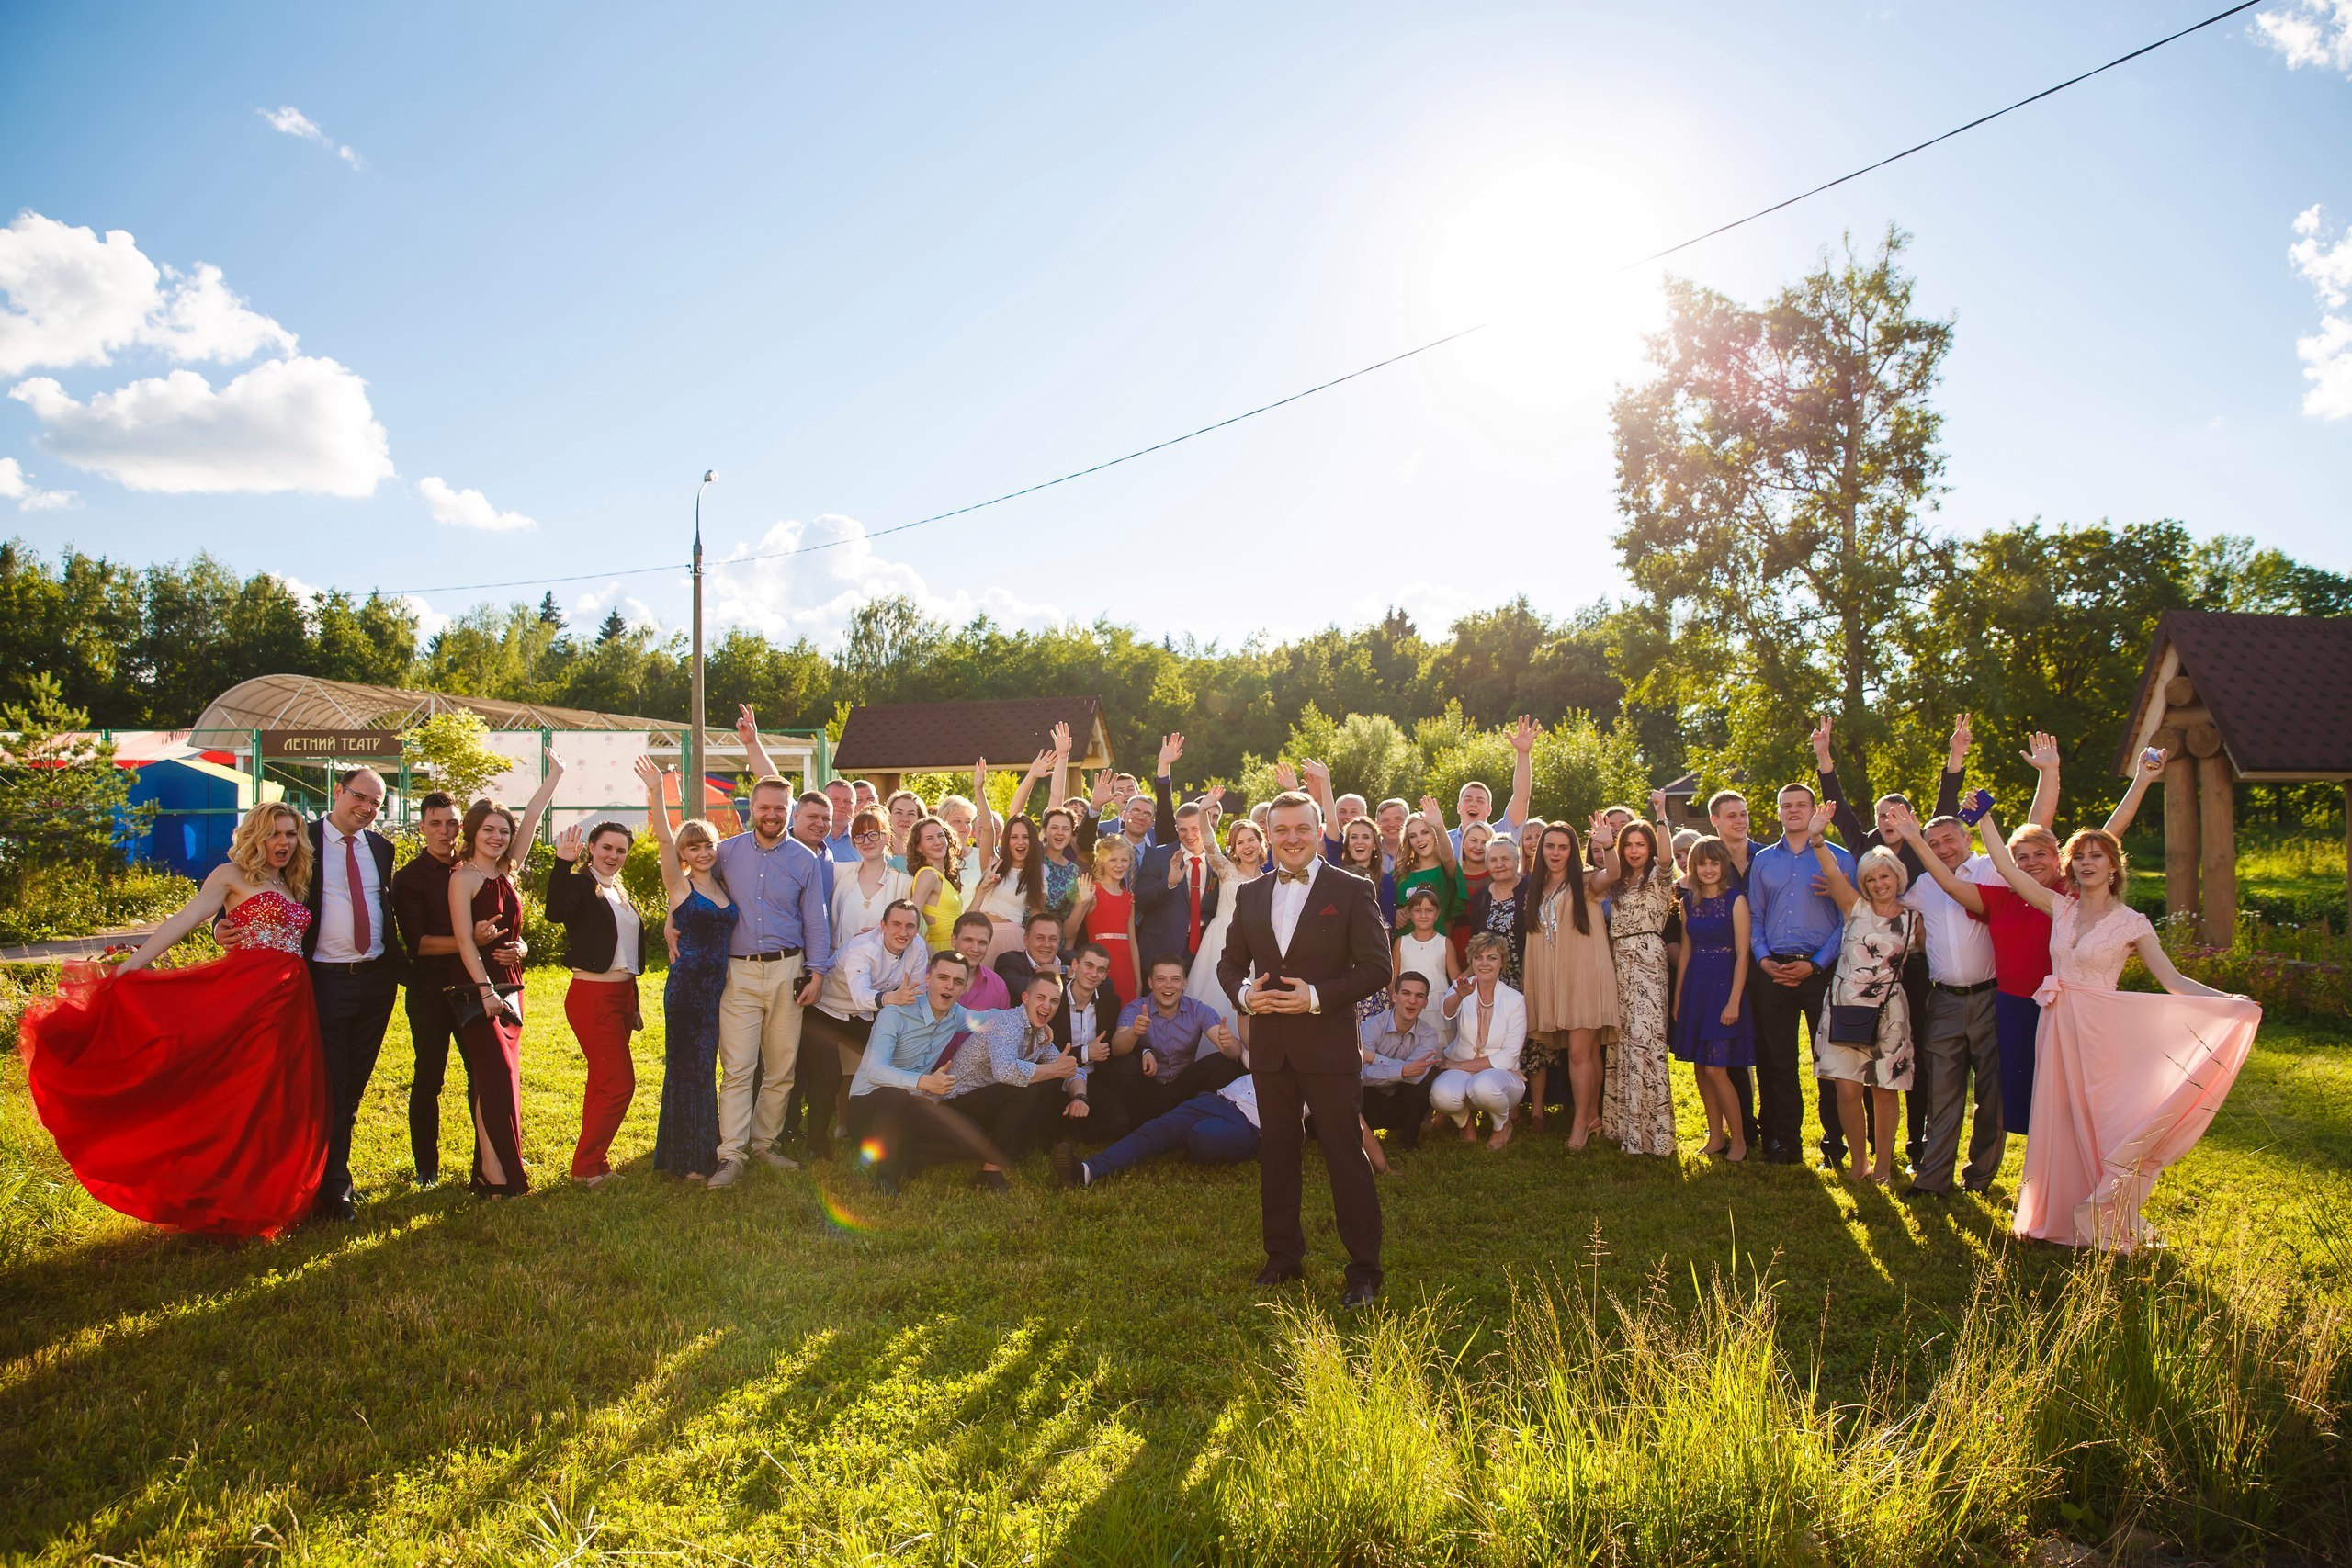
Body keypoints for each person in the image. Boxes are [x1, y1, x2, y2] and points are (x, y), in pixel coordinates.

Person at [20, 801, 328, 1236]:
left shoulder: (292, 881)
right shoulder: (229, 875)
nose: (283, 842)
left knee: (281, 1099)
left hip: (293, 1002)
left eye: (291, 834)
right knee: (244, 1097)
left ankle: (270, 1196)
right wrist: (132, 967)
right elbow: (185, 918)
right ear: (256, 835)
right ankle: (227, 1199)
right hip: (248, 1000)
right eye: (275, 833)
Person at [1973, 808, 2258, 1252]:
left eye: (2097, 856)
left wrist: (2228, 1002)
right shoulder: (2060, 907)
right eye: (2080, 856)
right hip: (2057, 1026)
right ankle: (2056, 1213)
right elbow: (2009, 870)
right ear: (2071, 867)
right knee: (2059, 1118)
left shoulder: (2132, 923)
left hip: (2101, 1031)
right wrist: (1986, 818)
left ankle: (2105, 1211)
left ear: (2112, 866)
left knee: (2100, 1118)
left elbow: (2173, 982)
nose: (2087, 863)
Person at [1215, 790, 1392, 1305]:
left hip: (1329, 1047)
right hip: (1270, 1048)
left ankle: (1363, 1271)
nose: (1292, 839)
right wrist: (1245, 995)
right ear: (1268, 834)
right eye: (1282, 830)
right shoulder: (1251, 894)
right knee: (1277, 1154)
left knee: (1344, 1154)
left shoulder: (1352, 889)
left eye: (1302, 829)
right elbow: (1229, 964)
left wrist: (1315, 998)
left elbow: (1377, 968)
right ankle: (1282, 1260)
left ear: (1319, 831)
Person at [707, 774, 833, 1190]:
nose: (772, 815)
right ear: (751, 809)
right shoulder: (725, 854)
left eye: (780, 808)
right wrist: (673, 924)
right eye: (765, 807)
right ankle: (731, 1154)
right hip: (737, 971)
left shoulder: (803, 860)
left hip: (788, 970)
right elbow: (690, 887)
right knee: (738, 1067)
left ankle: (765, 1143)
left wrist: (817, 972)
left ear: (790, 810)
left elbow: (815, 919)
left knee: (781, 1067)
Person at [1876, 804, 2003, 1197]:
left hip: (1991, 998)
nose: (1943, 848)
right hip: (1944, 1001)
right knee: (1942, 1092)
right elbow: (1886, 904)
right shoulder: (1923, 886)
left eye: (1949, 839)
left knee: (1991, 1094)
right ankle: (1933, 1180)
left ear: (1967, 838)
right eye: (1933, 843)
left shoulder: (1992, 871)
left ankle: (1979, 1178)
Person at [303, 766, 404, 1222]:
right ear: (338, 791)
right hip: (322, 980)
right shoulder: (300, 840)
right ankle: (329, 1186)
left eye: (376, 804)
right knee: (330, 1084)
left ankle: (331, 1177)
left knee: (354, 1085)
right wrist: (223, 923)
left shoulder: (382, 848)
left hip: (375, 981)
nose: (367, 809)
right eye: (360, 798)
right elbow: (250, 883)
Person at [1803, 809, 1919, 1186]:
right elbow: (1834, 872)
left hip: (1890, 1011)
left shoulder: (1915, 920)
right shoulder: (1855, 908)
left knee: (1886, 1091)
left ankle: (1884, 1165)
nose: (1879, 883)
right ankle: (1858, 1163)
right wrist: (1817, 838)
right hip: (1846, 1007)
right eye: (1870, 878)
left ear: (1897, 877)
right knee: (1848, 1090)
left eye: (1884, 875)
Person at [635, 757, 736, 1182]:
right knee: (690, 1069)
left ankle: (695, 1148)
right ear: (683, 854)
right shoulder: (681, 885)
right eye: (693, 847)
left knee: (709, 1067)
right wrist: (658, 793)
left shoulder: (725, 883)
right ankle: (691, 1158)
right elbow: (661, 839)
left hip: (722, 988)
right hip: (689, 987)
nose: (703, 852)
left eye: (708, 844)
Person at [1746, 782, 1853, 1168]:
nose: (1793, 810)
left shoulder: (1838, 858)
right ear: (1777, 812)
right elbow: (1756, 916)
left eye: (1801, 805)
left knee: (1829, 1062)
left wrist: (1817, 963)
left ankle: (1834, 1145)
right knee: (1778, 1061)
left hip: (1822, 972)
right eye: (1786, 805)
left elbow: (1850, 919)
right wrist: (1762, 959)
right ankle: (1785, 1142)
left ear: (1815, 810)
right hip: (1772, 971)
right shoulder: (1763, 862)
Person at [843, 952, 1008, 1194]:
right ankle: (886, 1178)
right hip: (868, 1111)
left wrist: (1031, 1020)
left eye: (957, 981)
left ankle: (907, 1158)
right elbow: (875, 1071)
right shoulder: (896, 1013)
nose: (949, 986)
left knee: (971, 1140)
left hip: (908, 1107)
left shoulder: (956, 1015)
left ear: (963, 988)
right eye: (943, 977)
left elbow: (990, 1018)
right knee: (896, 1095)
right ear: (928, 980)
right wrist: (923, 1082)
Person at [447, 796, 544, 1198]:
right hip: (478, 988)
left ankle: (492, 1168)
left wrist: (520, 950)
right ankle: (494, 1170)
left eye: (503, 831)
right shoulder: (463, 877)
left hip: (511, 982)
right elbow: (464, 942)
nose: (498, 837)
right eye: (488, 829)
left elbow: (533, 818)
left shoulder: (508, 870)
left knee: (505, 1080)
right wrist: (486, 988)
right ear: (472, 831)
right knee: (494, 1078)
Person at [545, 819, 644, 1187]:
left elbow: (625, 952)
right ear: (591, 848)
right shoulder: (580, 885)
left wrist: (632, 1002)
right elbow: (555, 911)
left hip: (621, 995)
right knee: (619, 1085)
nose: (613, 856)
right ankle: (584, 1166)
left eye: (621, 850)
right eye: (607, 848)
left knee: (601, 1083)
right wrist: (561, 863)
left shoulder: (618, 889)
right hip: (592, 996)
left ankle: (595, 1163)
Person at [1517, 818, 1621, 1147]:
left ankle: (1579, 1124)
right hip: (1554, 977)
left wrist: (1608, 844)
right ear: (1540, 849)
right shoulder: (1537, 886)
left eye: (1563, 847)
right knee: (1587, 1051)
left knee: (1579, 1052)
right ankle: (1592, 1116)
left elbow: (1614, 874)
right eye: (1550, 846)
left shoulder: (1586, 881)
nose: (1556, 852)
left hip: (1584, 975)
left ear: (1573, 850)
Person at [801, 900, 930, 1161]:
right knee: (828, 1076)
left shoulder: (918, 949)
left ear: (917, 930)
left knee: (891, 1064)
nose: (903, 932)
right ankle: (815, 1144)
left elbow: (916, 993)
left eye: (909, 926)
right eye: (895, 924)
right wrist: (893, 998)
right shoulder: (863, 949)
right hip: (825, 1011)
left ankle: (877, 1132)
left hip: (865, 1015)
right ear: (882, 926)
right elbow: (861, 997)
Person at [389, 790, 468, 1186]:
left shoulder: (471, 867)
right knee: (429, 1078)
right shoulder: (409, 878)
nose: (444, 831)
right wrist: (474, 941)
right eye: (435, 823)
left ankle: (486, 1160)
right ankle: (426, 1168)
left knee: (483, 1075)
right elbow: (418, 944)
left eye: (451, 822)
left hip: (473, 987)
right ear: (422, 827)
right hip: (430, 991)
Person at [949, 974, 1088, 1188]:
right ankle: (989, 1175)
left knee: (1045, 1079)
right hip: (957, 1101)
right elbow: (1005, 1072)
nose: (1047, 1006)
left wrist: (1080, 1097)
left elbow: (1071, 1070)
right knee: (1025, 1090)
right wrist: (1055, 1070)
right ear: (1025, 998)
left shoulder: (1040, 1033)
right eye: (1040, 997)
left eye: (1054, 1001)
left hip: (986, 1099)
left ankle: (1024, 1147)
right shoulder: (1009, 1023)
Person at [1671, 836, 1753, 1162]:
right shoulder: (1688, 903)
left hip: (1724, 986)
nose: (1707, 869)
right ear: (1693, 866)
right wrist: (1679, 998)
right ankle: (1715, 1136)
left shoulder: (1736, 901)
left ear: (1723, 866)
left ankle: (1740, 1141)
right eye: (1701, 863)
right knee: (1701, 1069)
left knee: (1718, 1070)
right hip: (1696, 987)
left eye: (1713, 863)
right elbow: (1686, 950)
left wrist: (1734, 1001)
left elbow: (1744, 954)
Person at [1601, 818, 1678, 1157]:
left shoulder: (1658, 879)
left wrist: (1661, 815)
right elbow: (1608, 869)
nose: (1634, 851)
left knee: (1645, 1041)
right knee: (1622, 1040)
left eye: (1640, 845)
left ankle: (1652, 1134)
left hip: (1648, 956)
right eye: (1628, 845)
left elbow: (1666, 859)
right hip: (1617, 958)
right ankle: (1623, 1126)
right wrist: (1605, 843)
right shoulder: (1617, 883)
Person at [1056, 1067, 1269, 1187]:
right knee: (1152, 1131)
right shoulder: (1266, 1051)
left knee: (1202, 1135)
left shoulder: (1301, 1078)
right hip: (1216, 1100)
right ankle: (1087, 1171)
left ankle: (1189, 1147)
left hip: (1246, 1124)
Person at [1111, 956, 1245, 1124]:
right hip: (1147, 1088)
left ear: (1184, 984)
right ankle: (1141, 1124)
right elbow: (1116, 1048)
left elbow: (1234, 1053)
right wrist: (1133, 1033)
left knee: (1226, 1064)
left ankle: (1192, 1118)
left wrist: (1228, 1043)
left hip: (1183, 1088)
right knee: (1125, 1065)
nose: (1168, 985)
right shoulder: (1136, 1008)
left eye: (1175, 979)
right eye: (1161, 979)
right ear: (1150, 982)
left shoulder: (1198, 1009)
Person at [1430, 933, 1530, 1150]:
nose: (1484, 963)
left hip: (1502, 1074)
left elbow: (1508, 1056)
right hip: (1464, 1068)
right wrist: (1460, 996)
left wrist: (1458, 1065)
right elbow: (1447, 1010)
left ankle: (1501, 1125)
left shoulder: (1515, 1000)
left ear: (1502, 962)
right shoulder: (1461, 986)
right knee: (1440, 1095)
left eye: (1492, 958)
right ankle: (1465, 1122)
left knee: (1483, 1086)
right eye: (1478, 957)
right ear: (1471, 961)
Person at [1184, 807, 1265, 1026]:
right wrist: (1203, 811)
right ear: (1234, 849)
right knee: (1215, 998)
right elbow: (1209, 843)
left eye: (1251, 840)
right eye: (1240, 843)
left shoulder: (1269, 879)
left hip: (1254, 945)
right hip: (1221, 940)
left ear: (1260, 843)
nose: (1247, 846)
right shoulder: (1226, 870)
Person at [1136, 793, 1224, 977]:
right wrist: (1168, 883)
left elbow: (1219, 906)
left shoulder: (1218, 861)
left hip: (1203, 951)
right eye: (1183, 829)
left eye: (1195, 828)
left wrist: (1204, 921)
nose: (1189, 835)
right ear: (1176, 828)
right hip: (1161, 951)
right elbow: (1141, 900)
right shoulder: (1158, 856)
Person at [1356, 973, 1443, 1151]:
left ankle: (1409, 1142)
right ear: (1394, 996)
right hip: (1370, 1098)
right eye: (1406, 993)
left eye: (1419, 996)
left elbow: (1416, 1076)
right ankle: (1359, 1137)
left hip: (1402, 1100)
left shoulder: (1429, 1034)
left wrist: (1374, 1058)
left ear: (1425, 1003)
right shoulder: (1370, 1027)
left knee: (1427, 1078)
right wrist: (1403, 1070)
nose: (1412, 1000)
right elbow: (1361, 1075)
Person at [1066, 837, 1141, 1006]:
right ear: (1101, 860)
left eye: (1124, 860)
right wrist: (1082, 903)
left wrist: (1138, 980)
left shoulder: (1129, 897)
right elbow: (1069, 931)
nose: (1119, 865)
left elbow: (1132, 941)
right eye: (1113, 860)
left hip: (1126, 969)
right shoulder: (1091, 890)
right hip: (1098, 966)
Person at [1449, 714, 1538, 853]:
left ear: (1489, 809)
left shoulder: (1502, 834)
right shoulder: (1444, 841)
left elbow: (1521, 797)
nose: (1473, 804)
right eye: (1468, 799)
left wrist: (1523, 753)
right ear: (1459, 807)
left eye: (1480, 800)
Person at [832, 807, 913, 942]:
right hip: (841, 961)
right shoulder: (839, 873)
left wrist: (885, 934)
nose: (867, 841)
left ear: (887, 837)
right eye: (860, 836)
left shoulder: (904, 883)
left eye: (874, 834)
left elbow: (911, 929)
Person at [1391, 799, 1465, 932]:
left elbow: (1448, 859)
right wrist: (1394, 915)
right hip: (1402, 946)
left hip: (1438, 945)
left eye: (1425, 832)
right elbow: (1384, 909)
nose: (1420, 839)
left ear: (1434, 834)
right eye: (1413, 836)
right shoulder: (1399, 873)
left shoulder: (1446, 869)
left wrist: (1439, 827)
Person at [1462, 832, 1525, 989]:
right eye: (1493, 860)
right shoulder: (1480, 898)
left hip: (1526, 982)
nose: (1499, 864)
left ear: (1517, 861)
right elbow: (1476, 943)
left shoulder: (1530, 892)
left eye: (1505, 859)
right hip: (1489, 984)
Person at [1329, 816, 1398, 931]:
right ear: (1347, 845)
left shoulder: (1385, 880)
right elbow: (1331, 823)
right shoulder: (1337, 872)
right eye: (1354, 837)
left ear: (1375, 844)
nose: (1359, 842)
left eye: (1366, 837)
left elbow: (1387, 925)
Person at [1391, 886, 1456, 998]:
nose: (1423, 916)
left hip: (1437, 1004)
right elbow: (1393, 979)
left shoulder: (1445, 943)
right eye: (1417, 910)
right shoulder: (1401, 943)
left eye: (1429, 910)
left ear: (1437, 914)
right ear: (1410, 914)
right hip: (1407, 1003)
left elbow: (1456, 979)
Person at [995, 908, 1069, 997]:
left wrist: (1064, 970)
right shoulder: (1009, 961)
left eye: (1053, 938)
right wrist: (1051, 974)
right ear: (1026, 940)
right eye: (1040, 938)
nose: (1047, 944)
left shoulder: (1070, 958)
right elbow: (1015, 987)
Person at [949, 910, 1013, 1012]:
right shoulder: (928, 976)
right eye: (968, 940)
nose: (975, 949)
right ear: (954, 940)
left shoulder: (998, 986)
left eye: (982, 943)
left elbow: (1005, 1026)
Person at [820, 778, 858, 862]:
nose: (842, 805)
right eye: (835, 800)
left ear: (855, 807)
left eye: (848, 801)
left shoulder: (862, 842)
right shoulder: (808, 837)